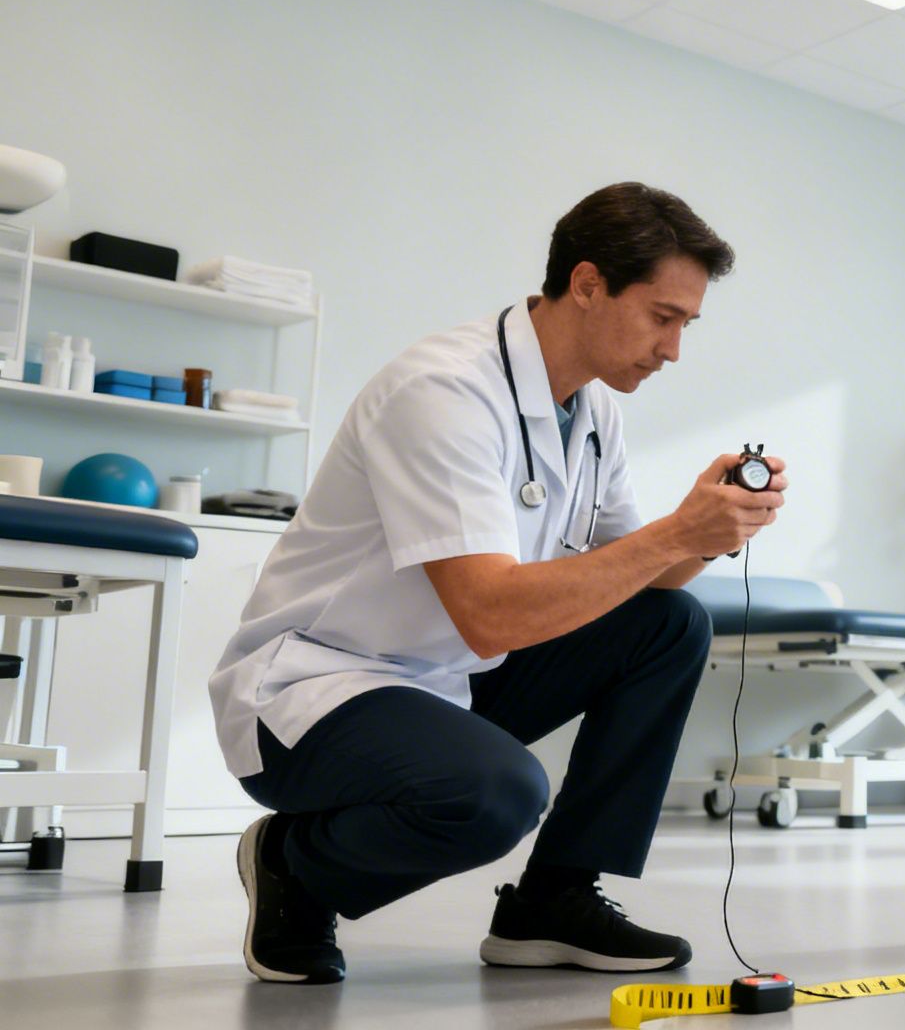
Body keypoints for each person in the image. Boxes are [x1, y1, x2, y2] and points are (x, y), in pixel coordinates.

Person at [209, 182, 787, 984]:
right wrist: (676, 533)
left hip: (450, 681)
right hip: (316, 692)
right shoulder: (444, 389)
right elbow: (488, 614)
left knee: (671, 623)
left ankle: (552, 901)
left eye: (687, 324)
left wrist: (714, 527)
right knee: (500, 795)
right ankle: (294, 865)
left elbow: (641, 573)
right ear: (588, 284)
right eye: (663, 317)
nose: (674, 349)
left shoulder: (591, 412)